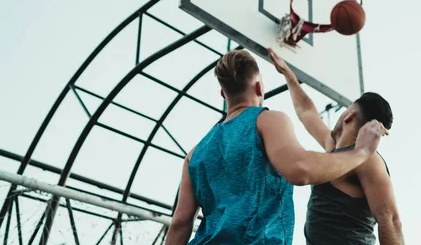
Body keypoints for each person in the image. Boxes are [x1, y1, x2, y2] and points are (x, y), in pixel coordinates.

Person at [166, 49, 388, 245]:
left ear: (223, 95)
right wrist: (361, 152)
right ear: (260, 87)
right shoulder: (268, 120)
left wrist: (290, 77)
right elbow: (300, 169)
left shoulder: (195, 153)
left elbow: (180, 222)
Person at [268, 48, 404, 245]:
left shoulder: (368, 160)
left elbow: (390, 220)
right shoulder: (334, 150)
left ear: (349, 116)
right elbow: (307, 111)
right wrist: (289, 76)